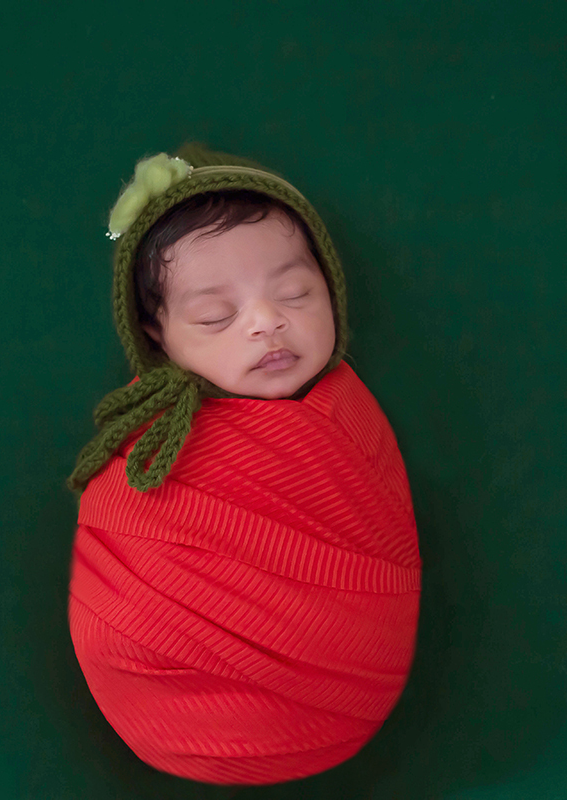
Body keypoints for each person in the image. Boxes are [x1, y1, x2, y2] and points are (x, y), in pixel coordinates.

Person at [67, 143, 421, 786]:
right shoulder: (147, 441)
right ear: (157, 334)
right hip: (165, 718)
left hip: (348, 706)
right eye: (215, 316)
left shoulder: (352, 416)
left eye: (296, 293)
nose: (267, 323)